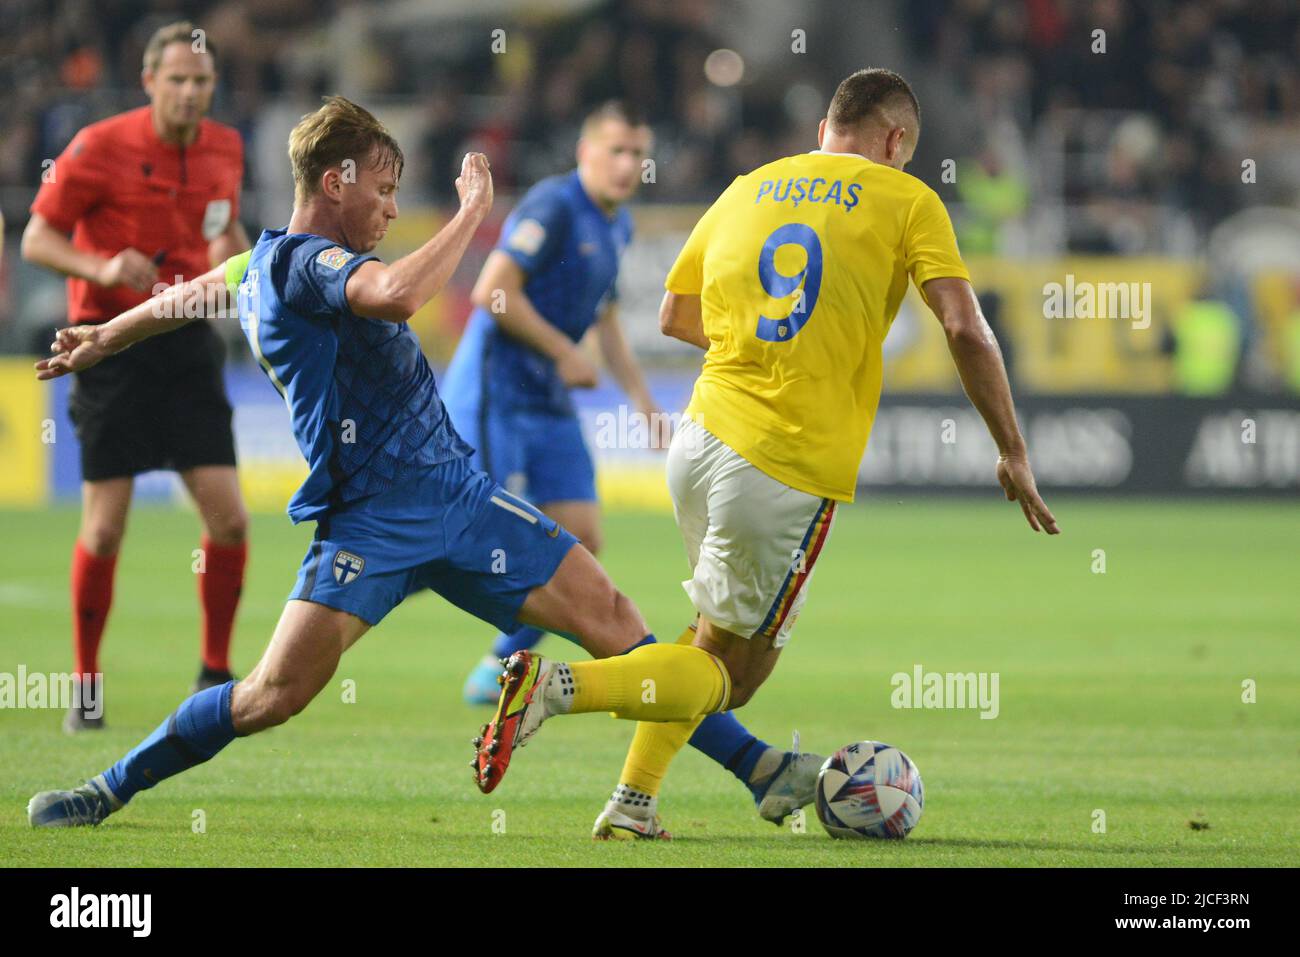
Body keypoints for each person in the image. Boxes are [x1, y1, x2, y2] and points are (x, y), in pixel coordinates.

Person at [27, 97, 756, 832]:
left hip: (459, 498)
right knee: (270, 695)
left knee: (618, 621)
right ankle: (107, 787)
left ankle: (764, 771)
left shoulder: (262, 262)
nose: (391, 208)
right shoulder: (309, 263)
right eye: (382, 190)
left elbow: (192, 293)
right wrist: (473, 211)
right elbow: (398, 295)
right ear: (335, 181)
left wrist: (107, 334)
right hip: (370, 522)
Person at [472, 68, 1060, 838]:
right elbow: (961, 327)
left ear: (825, 130)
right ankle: (553, 685)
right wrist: (1013, 449)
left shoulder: (751, 186)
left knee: (705, 635)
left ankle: (634, 800)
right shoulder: (909, 199)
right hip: (784, 461)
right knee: (734, 675)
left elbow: (676, 314)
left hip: (702, 437)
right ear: (896, 141)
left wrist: (761, 346)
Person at [21, 21, 250, 730]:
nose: (189, 93)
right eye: (176, 80)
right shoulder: (97, 147)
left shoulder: (226, 147)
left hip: (185, 341)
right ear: (149, 81)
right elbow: (35, 237)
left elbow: (221, 230)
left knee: (230, 517)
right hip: (108, 349)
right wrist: (102, 267)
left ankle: (215, 671)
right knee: (106, 529)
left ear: (214, 88)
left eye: (201, 82)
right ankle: (85, 687)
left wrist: (240, 260)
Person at [442, 100, 664, 706]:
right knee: (462, 539)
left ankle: (496, 664)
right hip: (496, 390)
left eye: (637, 153)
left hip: (547, 399)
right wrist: (565, 352)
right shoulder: (553, 204)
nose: (627, 165)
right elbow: (493, 293)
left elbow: (607, 318)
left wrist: (642, 399)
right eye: (616, 151)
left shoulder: (618, 225)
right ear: (585, 153)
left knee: (583, 534)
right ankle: (366, 583)